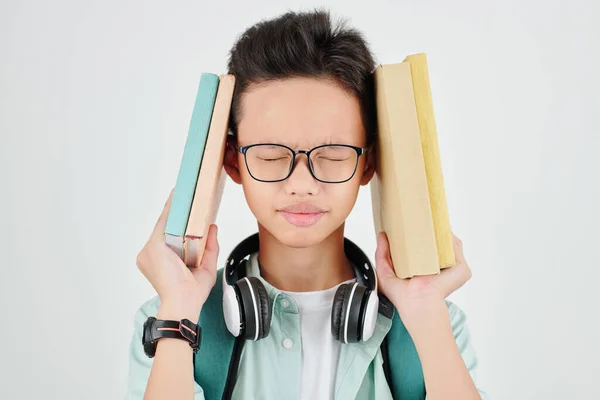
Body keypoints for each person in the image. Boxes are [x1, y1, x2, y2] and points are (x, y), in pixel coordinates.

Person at [125, 9, 487, 400]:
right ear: (233, 161)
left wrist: (426, 315)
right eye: (269, 155)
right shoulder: (169, 322)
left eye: (332, 155)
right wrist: (177, 310)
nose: (302, 184)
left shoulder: (435, 322)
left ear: (369, 163)